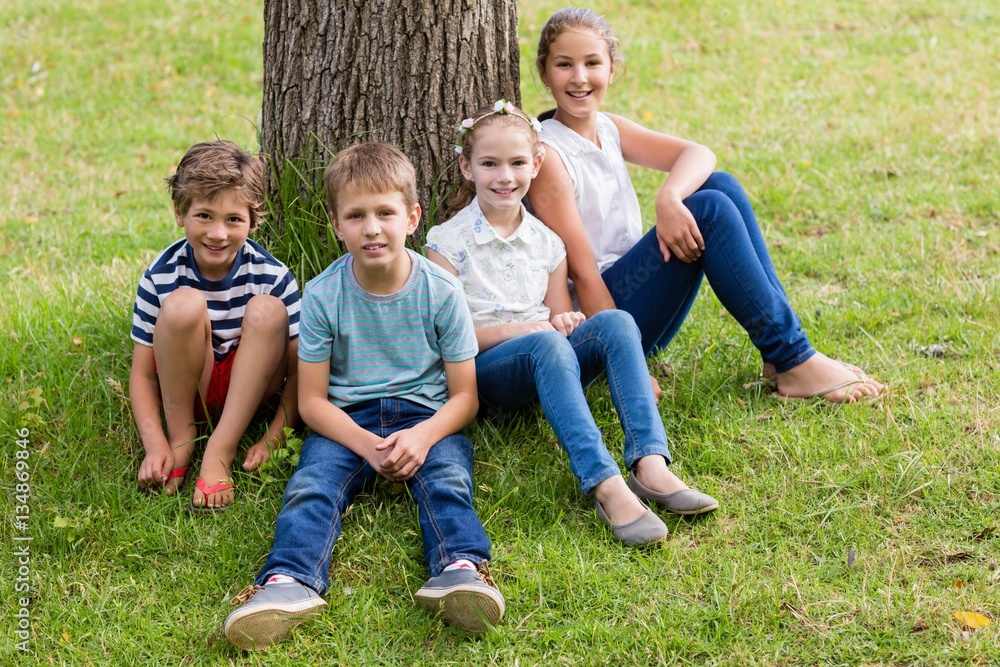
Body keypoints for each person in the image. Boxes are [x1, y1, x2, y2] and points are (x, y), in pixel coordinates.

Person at [224, 142, 504, 651]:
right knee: (312, 484)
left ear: (412, 217)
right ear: (336, 224)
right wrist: (363, 444)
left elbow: (465, 398)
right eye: (356, 215)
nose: (372, 228)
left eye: (385, 213)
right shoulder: (324, 295)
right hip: (345, 417)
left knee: (446, 478)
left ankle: (460, 571)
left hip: (426, 416)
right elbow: (311, 402)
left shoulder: (441, 290)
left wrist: (421, 438)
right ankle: (287, 582)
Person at [527, 8, 886, 404]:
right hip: (594, 329)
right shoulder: (548, 154)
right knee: (709, 209)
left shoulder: (609, 128)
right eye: (564, 65)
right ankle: (793, 358)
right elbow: (584, 275)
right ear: (545, 73)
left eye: (592, 63)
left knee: (719, 185)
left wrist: (668, 197)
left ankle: (781, 356)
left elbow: (700, 154)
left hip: (633, 302)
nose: (579, 77)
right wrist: (627, 363)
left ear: (612, 69)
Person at [426, 100, 718, 548]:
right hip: (487, 371)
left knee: (616, 322)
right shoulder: (446, 243)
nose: (505, 176)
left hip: (547, 356)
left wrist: (562, 320)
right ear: (467, 167)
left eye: (518, 163)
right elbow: (449, 345)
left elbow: (560, 317)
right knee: (545, 344)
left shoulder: (547, 242)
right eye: (489, 164)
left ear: (536, 163)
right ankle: (605, 483)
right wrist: (519, 331)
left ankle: (650, 462)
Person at [130, 140, 300, 512]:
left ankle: (220, 449)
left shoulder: (273, 276)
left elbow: (298, 370)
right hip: (190, 381)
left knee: (269, 311)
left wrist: (273, 437)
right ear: (180, 211)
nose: (218, 234)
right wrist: (155, 443)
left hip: (251, 386)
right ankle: (182, 441)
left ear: (254, 220)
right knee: (182, 306)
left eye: (234, 219)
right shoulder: (160, 276)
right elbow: (142, 375)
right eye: (204, 215)